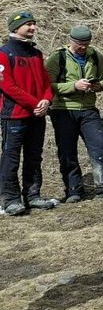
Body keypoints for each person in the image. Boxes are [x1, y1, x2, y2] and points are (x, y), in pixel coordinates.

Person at [44, 25, 103, 202]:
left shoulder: (96, 56)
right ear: (71, 41)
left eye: (86, 44)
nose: (83, 47)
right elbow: (47, 85)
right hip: (64, 110)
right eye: (79, 44)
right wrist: (74, 86)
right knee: (67, 151)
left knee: (100, 147)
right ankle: (73, 191)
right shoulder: (57, 57)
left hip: (89, 109)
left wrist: (97, 86)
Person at [0, 11, 55, 215]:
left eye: (34, 23)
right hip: (14, 115)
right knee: (11, 158)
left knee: (34, 156)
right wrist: (35, 103)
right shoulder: (4, 53)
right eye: (28, 24)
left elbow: (46, 82)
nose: (33, 27)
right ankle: (10, 200)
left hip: (37, 115)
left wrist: (46, 100)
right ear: (16, 28)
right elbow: (8, 86)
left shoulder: (36, 53)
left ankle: (33, 195)